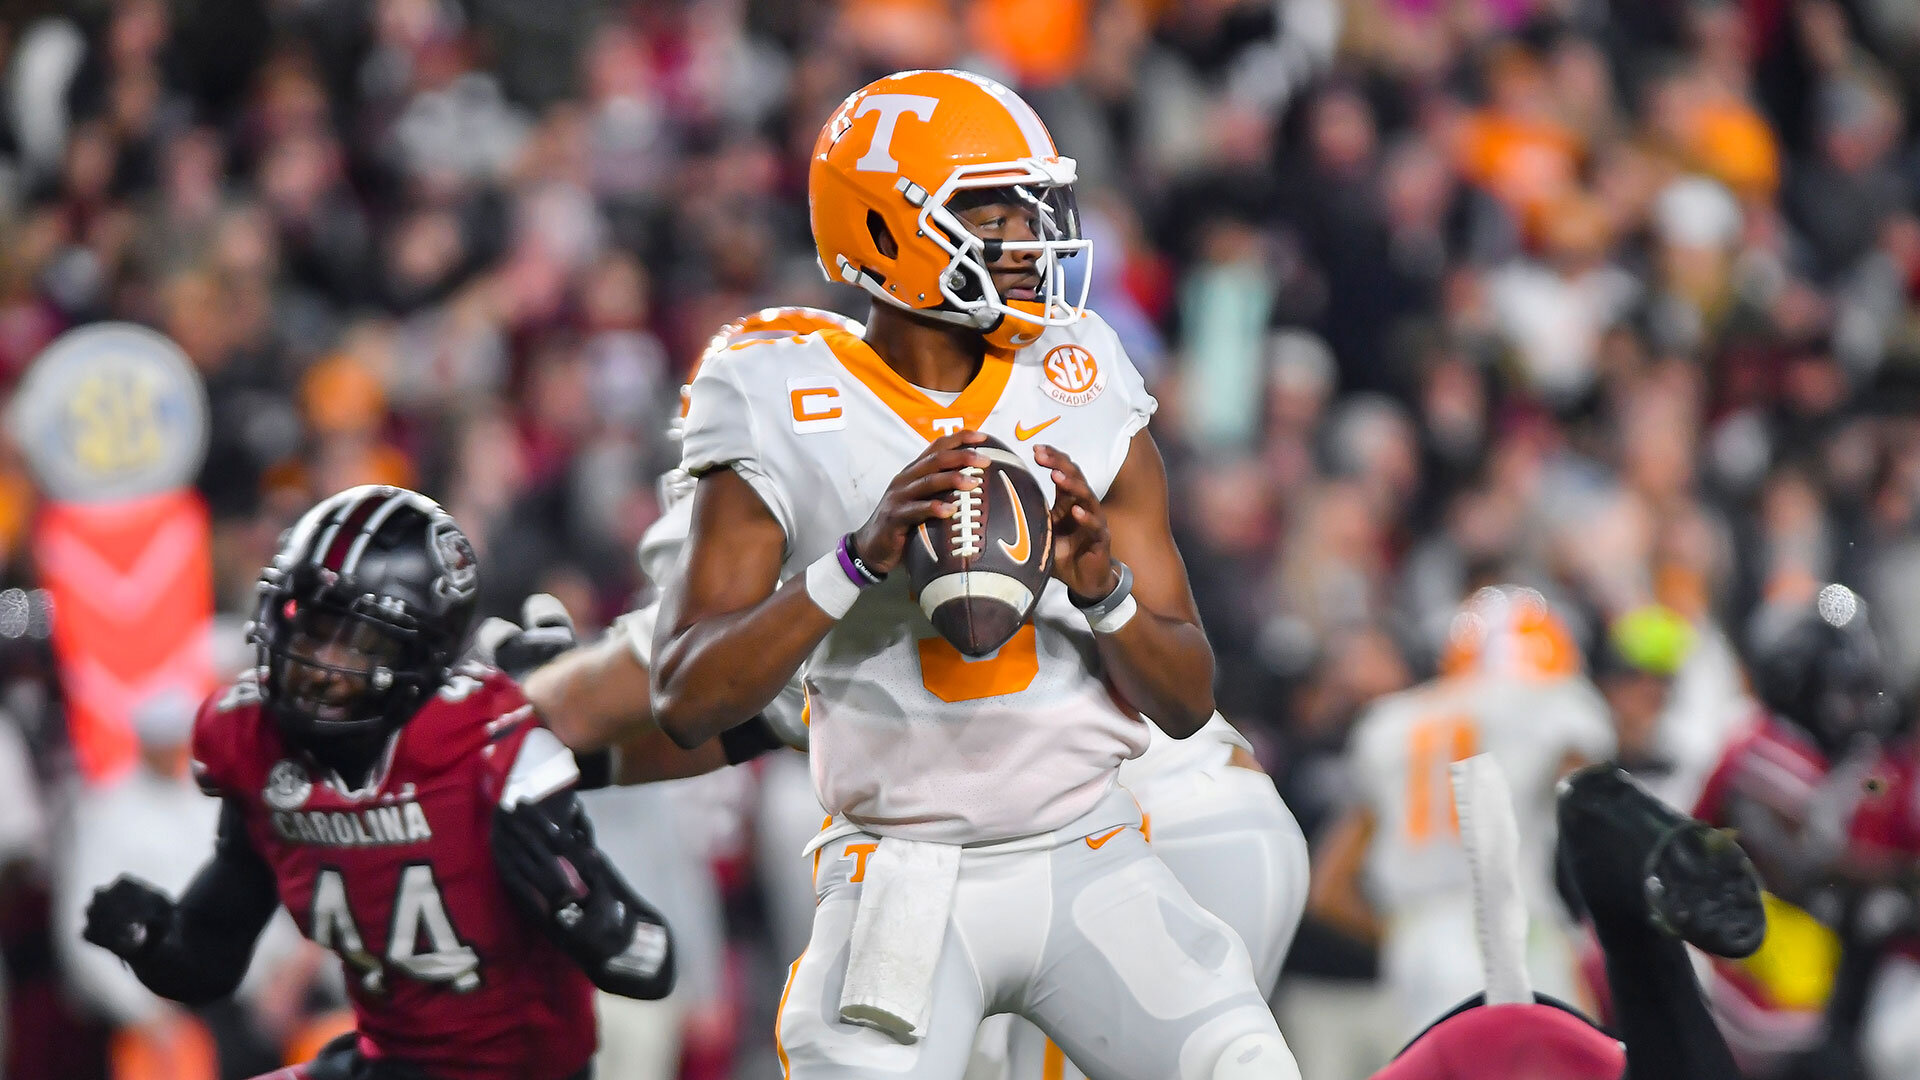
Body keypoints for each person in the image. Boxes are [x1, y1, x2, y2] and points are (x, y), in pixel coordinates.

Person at [648, 69, 1301, 1080]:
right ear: (884, 232)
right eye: (994, 213)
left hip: (1091, 854)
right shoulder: (782, 388)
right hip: (899, 879)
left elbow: (1187, 700)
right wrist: (853, 565)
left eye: (1037, 208)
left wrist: (1103, 590)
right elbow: (687, 698)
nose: (1038, 243)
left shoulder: (1078, 372)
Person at [489, 303, 1311, 1080]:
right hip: (1198, 819)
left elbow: (618, 702)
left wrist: (506, 692)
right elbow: (700, 724)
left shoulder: (815, 510)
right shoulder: (945, 458)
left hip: (1122, 837)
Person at [79, 485, 676, 1080]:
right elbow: (213, 952)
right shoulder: (254, 743)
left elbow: (648, 962)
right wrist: (154, 943)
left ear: (422, 653)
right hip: (385, 1062)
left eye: (356, 642)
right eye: (311, 626)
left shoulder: (488, 744)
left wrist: (581, 909)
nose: (318, 663)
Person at [1309, 584, 1615, 1041]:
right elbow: (1599, 814)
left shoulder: (1392, 723)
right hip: (1512, 932)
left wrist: (1406, 936)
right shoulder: (1552, 704)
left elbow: (1327, 891)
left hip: (1419, 945)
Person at [1690, 583, 1898, 1073]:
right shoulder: (1769, 752)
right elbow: (1813, 863)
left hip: (1767, 924)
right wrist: (1898, 874)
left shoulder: (1791, 743)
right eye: (1846, 694)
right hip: (1738, 941)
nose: (1856, 710)